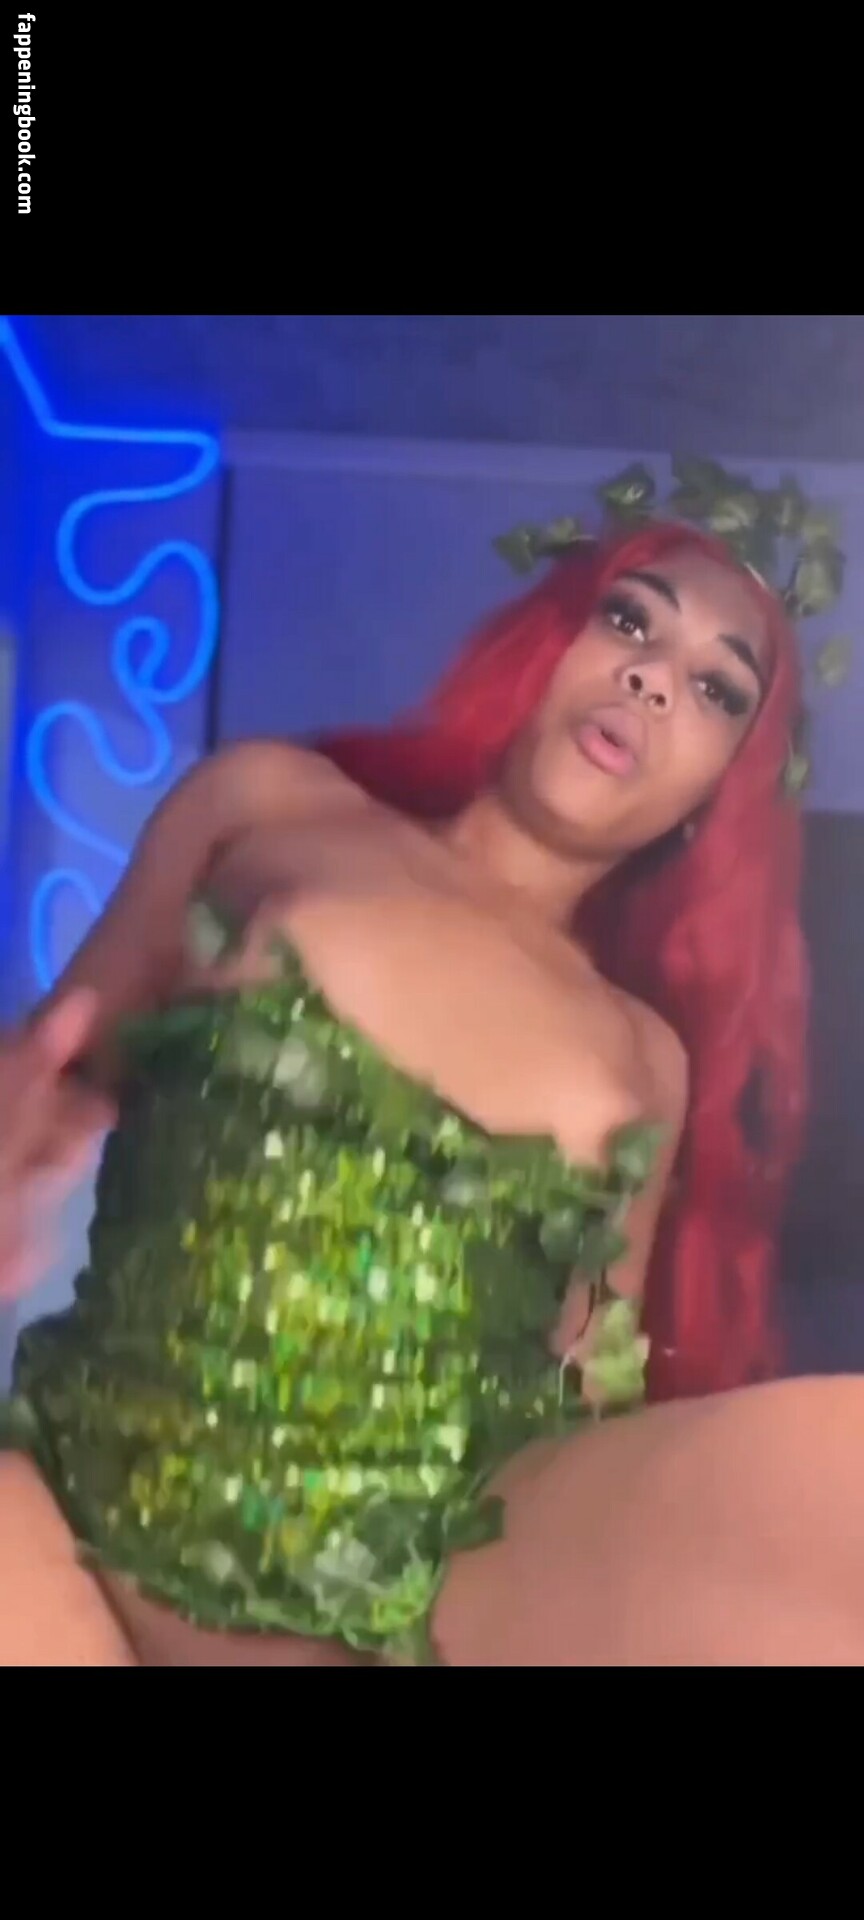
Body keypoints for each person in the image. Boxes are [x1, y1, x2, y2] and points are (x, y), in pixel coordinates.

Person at [0, 507, 821, 1665]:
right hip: (64, 1533)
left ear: (716, 794)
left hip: (382, 1627)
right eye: (630, 623)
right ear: (547, 642)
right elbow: (63, 1056)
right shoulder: (268, 803)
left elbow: (591, 1392)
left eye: (716, 690)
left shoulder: (648, 1058)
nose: (651, 680)